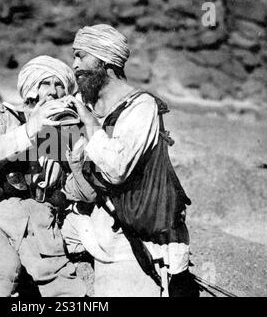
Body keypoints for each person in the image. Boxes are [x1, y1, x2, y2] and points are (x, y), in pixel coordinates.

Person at [60, 24, 198, 297]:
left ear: (106, 61)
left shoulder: (141, 107)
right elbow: (59, 165)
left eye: (81, 56)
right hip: (100, 231)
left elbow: (116, 170)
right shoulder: (92, 109)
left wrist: (89, 124)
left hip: (132, 241)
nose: (74, 65)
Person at [0, 55, 87, 297]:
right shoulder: (5, 117)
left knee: (71, 293)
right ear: (31, 88)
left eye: (59, 85)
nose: (53, 92)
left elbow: (85, 192)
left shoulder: (68, 131)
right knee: (5, 273)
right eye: (45, 84)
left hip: (41, 236)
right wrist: (30, 130)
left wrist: (79, 151)